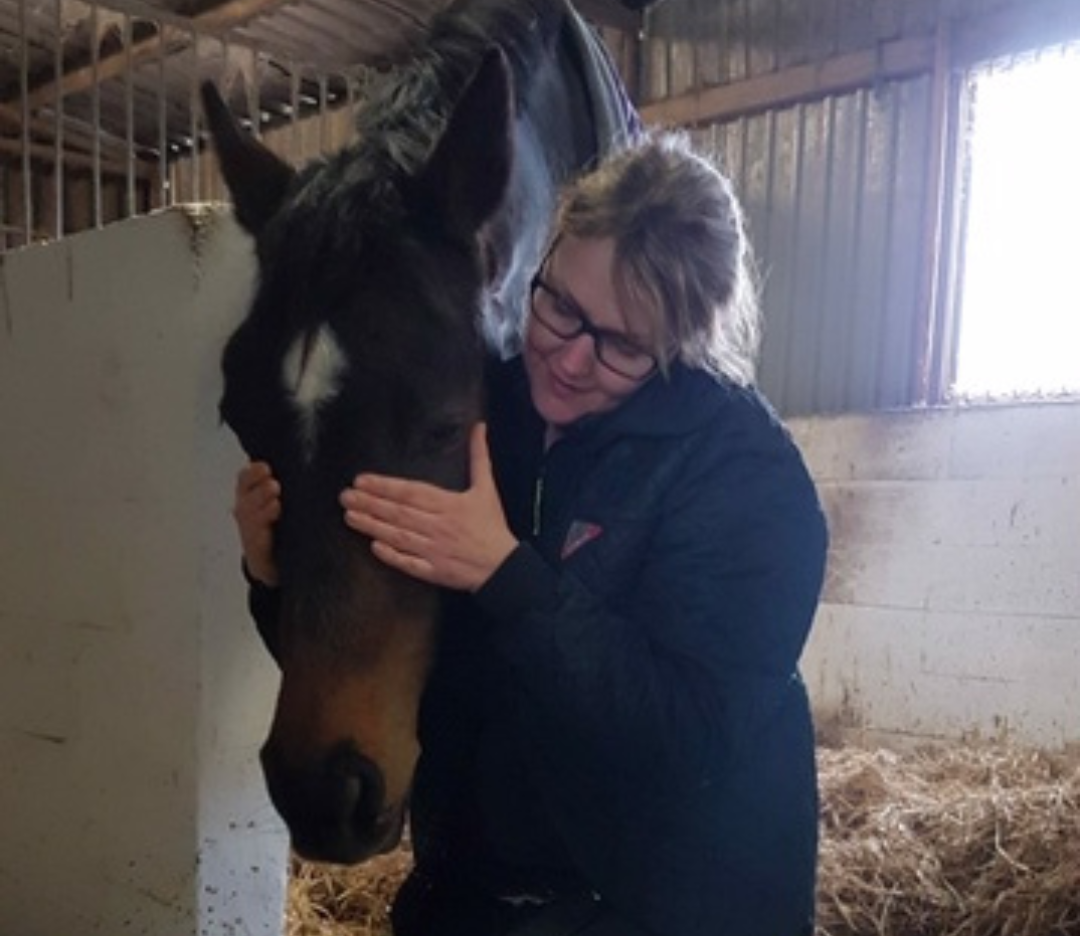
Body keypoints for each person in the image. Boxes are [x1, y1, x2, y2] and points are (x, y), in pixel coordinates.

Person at [234, 132, 828, 936]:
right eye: (561, 306)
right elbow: (399, 653)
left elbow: (690, 739)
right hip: (472, 902)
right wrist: (272, 578)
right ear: (541, 261)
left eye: (622, 345)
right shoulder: (487, 412)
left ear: (685, 340)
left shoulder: (749, 479)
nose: (571, 359)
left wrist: (507, 577)